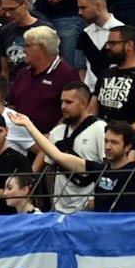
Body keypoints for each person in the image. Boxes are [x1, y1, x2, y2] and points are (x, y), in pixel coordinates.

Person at [12, 109, 135, 212]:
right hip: (101, 234)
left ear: (128, 146)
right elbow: (57, 155)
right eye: (106, 141)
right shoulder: (99, 169)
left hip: (128, 236)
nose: (108, 146)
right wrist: (28, 124)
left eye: (114, 142)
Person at [42, 86, 108, 215]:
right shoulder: (56, 133)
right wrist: (52, 202)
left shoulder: (100, 129)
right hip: (60, 210)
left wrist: (99, 200)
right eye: (62, 101)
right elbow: (49, 169)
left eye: (69, 102)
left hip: (89, 209)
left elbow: (108, 168)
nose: (63, 106)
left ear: (84, 103)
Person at [8, 25, 79, 134]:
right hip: (18, 139)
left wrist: (51, 137)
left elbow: (72, 112)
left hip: (49, 142)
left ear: (41, 48)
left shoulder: (67, 75)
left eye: (27, 46)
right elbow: (12, 105)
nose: (24, 50)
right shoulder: (23, 73)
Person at [92, 26, 135, 129]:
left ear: (129, 45)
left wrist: (122, 134)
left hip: (131, 138)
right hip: (101, 136)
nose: (107, 47)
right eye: (107, 43)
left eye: (113, 43)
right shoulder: (105, 74)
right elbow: (92, 110)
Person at [74, 0, 125, 85]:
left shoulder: (121, 30)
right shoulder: (85, 34)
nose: (80, 12)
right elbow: (80, 67)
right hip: (91, 91)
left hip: (115, 90)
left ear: (98, 6)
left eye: (83, 8)